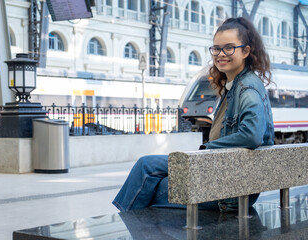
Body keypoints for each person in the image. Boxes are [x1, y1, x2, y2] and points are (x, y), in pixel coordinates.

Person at [112, 17, 274, 212]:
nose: (221, 54)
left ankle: (128, 224)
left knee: (148, 180)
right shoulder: (235, 85)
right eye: (216, 48)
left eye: (229, 48)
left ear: (246, 51)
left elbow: (252, 135)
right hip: (226, 176)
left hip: (229, 190)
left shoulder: (247, 88)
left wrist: (208, 148)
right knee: (147, 168)